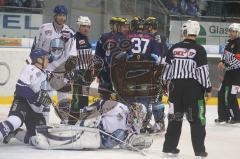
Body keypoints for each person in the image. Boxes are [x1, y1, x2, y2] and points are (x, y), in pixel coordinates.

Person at [162, 20, 211, 157]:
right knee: (197, 120)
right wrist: (208, 88)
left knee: (174, 119)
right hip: (193, 90)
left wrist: (164, 84)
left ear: (184, 32)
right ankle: (200, 150)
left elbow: (166, 69)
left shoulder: (174, 48)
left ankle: (169, 148)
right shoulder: (200, 50)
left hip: (175, 89)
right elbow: (202, 72)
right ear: (196, 33)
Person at [31, 100, 153, 151]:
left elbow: (122, 143)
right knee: (80, 131)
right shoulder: (118, 107)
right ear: (131, 111)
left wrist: (132, 144)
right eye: (135, 113)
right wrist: (86, 118)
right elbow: (99, 105)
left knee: (124, 135)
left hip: (103, 142)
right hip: (95, 129)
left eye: (139, 115)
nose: (135, 117)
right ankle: (47, 135)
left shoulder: (136, 126)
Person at [0, 48, 52, 144]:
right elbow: (20, 88)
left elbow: (53, 85)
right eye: (46, 58)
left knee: (40, 141)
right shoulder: (29, 69)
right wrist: (36, 97)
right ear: (39, 60)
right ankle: (9, 129)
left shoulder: (46, 73)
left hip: (36, 110)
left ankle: (15, 133)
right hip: (22, 103)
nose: (48, 59)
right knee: (15, 121)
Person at [123, 16, 162, 133]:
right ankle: (141, 125)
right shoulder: (151, 37)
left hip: (129, 73)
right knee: (144, 100)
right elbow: (156, 58)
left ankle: (128, 125)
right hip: (145, 73)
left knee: (129, 98)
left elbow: (121, 55)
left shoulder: (127, 36)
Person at [33, 5, 77, 104]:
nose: (62, 18)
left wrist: (71, 70)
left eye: (64, 15)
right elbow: (36, 50)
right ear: (55, 16)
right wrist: (39, 68)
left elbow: (73, 53)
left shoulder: (70, 32)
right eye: (60, 15)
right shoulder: (44, 29)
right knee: (45, 104)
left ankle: (64, 120)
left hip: (62, 73)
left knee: (65, 103)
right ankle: (44, 119)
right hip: (46, 72)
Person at [68, 16, 103, 125]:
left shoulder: (86, 38)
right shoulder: (75, 38)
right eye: (83, 26)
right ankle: (72, 121)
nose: (86, 28)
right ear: (79, 26)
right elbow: (71, 57)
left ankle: (80, 120)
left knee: (83, 97)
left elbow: (87, 56)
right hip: (78, 72)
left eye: (88, 26)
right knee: (77, 98)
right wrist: (72, 73)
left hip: (86, 73)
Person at [144, 16, 167, 133]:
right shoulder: (162, 37)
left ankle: (159, 124)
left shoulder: (152, 38)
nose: (145, 28)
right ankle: (159, 123)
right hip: (161, 73)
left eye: (146, 25)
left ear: (150, 26)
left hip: (154, 73)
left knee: (153, 99)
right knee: (156, 99)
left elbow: (156, 58)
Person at [95, 17, 127, 100]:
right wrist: (98, 72)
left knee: (120, 96)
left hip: (119, 72)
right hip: (106, 71)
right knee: (104, 95)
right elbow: (98, 55)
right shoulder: (104, 37)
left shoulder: (126, 37)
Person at [215, 23, 240, 124]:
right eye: (230, 31)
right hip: (229, 73)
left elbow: (238, 59)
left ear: (238, 32)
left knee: (231, 95)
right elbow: (224, 56)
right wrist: (222, 61)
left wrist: (226, 64)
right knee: (221, 93)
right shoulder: (228, 43)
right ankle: (223, 117)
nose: (231, 33)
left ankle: (237, 117)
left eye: (233, 31)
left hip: (237, 74)